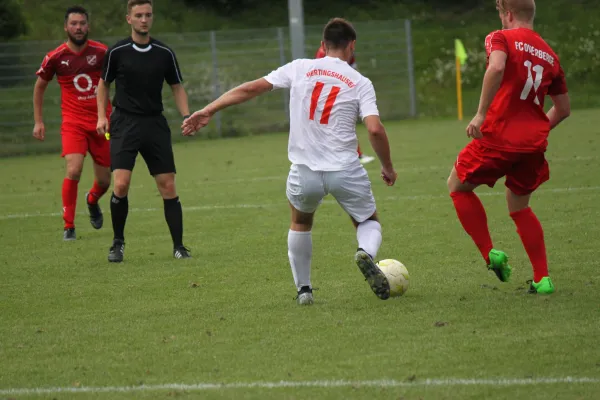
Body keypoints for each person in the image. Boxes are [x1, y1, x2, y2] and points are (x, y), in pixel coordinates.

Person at [183, 18, 398, 304]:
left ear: (323, 45)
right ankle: (365, 254)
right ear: (352, 46)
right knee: (367, 221)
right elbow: (374, 128)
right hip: (345, 169)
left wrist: (208, 110)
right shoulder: (360, 82)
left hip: (304, 170)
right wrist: (387, 166)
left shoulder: (299, 68)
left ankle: (304, 291)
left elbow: (250, 89)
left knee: (300, 222)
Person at [447, 0, 570, 294]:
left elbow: (497, 66)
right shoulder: (551, 56)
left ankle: (491, 253)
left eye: (501, 14)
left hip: (498, 138)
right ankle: (542, 278)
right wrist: (537, 130)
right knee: (520, 207)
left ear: (508, 14)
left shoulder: (500, 37)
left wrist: (480, 113)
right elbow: (563, 109)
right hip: (532, 147)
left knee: (457, 185)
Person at [96, 0, 192, 262]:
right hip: (124, 123)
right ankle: (117, 243)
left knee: (168, 185)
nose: (143, 20)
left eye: (148, 15)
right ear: (129, 18)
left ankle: (179, 247)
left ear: (152, 18)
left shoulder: (164, 52)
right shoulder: (117, 52)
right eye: (138, 15)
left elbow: (176, 86)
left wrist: (187, 116)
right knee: (121, 183)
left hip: (154, 124)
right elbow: (103, 85)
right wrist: (101, 117)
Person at [33, 6, 112, 241]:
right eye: (74, 24)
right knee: (74, 169)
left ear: (88, 26)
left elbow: (119, 78)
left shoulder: (102, 52)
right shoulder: (55, 57)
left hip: (102, 123)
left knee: (106, 180)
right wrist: (38, 121)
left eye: (82, 23)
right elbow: (39, 87)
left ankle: (92, 199)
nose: (78, 27)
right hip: (73, 123)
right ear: (66, 27)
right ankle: (69, 225)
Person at [315, 43, 375, 165]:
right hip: (329, 95)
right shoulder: (322, 54)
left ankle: (354, 155)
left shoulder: (349, 51)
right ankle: (353, 155)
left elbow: (352, 71)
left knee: (342, 124)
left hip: (341, 92)